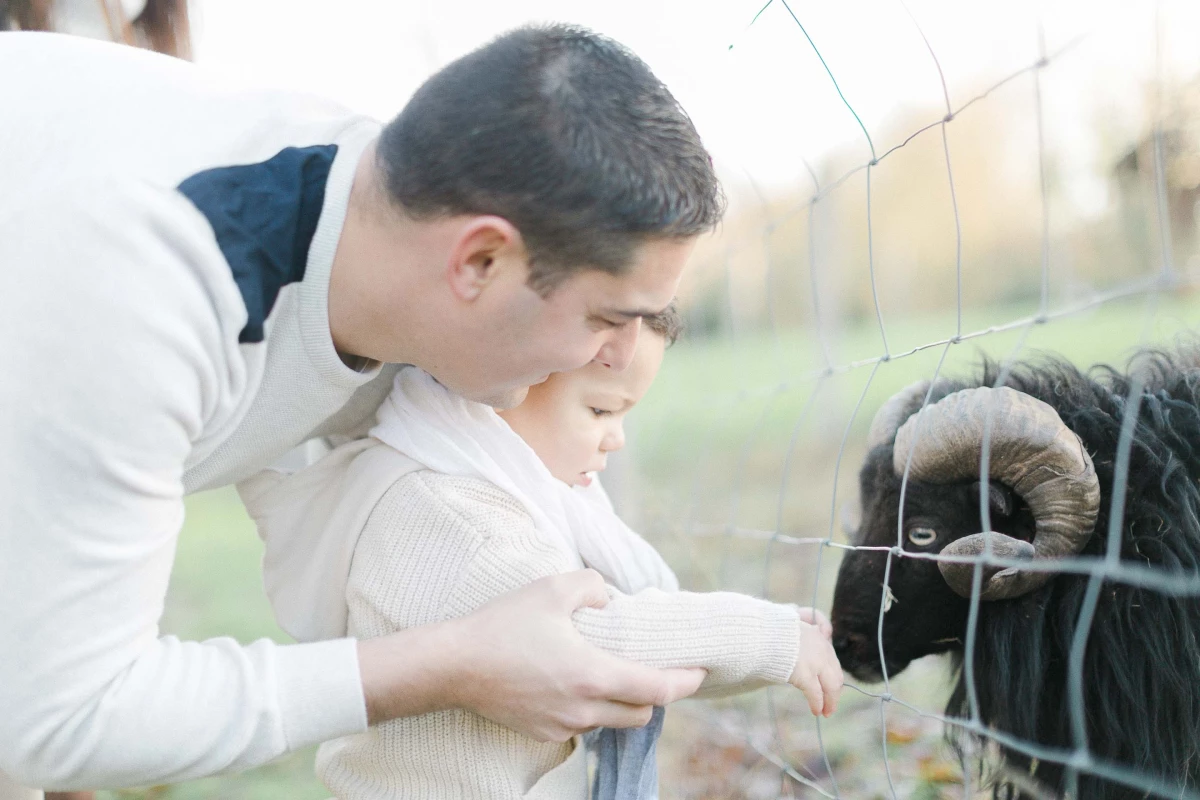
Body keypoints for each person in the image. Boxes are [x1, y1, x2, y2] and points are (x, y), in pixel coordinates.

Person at [0, 24, 724, 791]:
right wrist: (454, 665)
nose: (608, 359)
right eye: (609, 319)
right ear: (481, 260)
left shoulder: (385, 239)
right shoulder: (158, 282)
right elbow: (55, 720)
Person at [239, 307, 843, 799]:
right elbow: (601, 642)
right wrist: (768, 641)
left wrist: (779, 641)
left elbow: (648, 659)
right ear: (506, 377)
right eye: (602, 409)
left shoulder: (495, 489)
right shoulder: (449, 517)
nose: (617, 436)